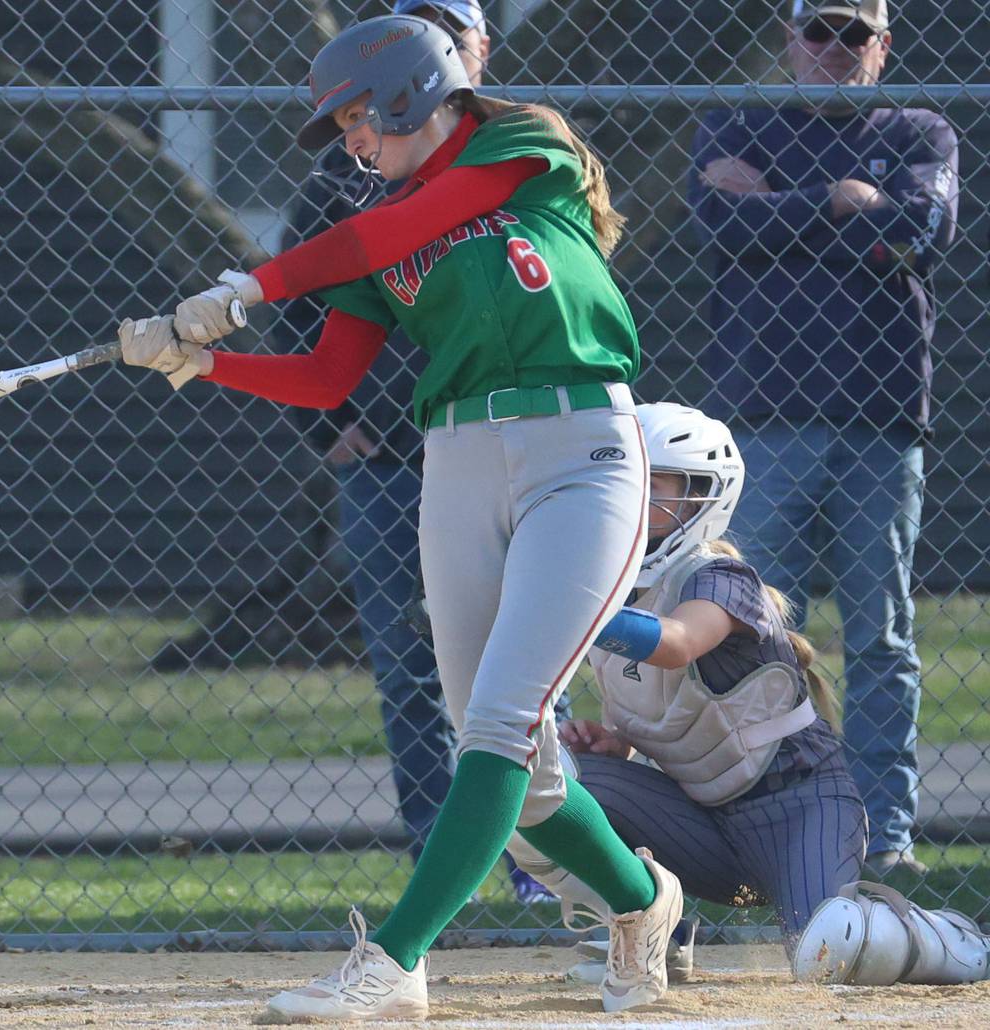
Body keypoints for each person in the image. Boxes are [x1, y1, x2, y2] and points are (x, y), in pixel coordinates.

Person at [120, 14, 683, 1017]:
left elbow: (404, 226)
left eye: (353, 122)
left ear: (408, 93)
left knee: (502, 726)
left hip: (580, 450)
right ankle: (643, 905)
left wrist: (254, 282)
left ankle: (395, 961)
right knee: (524, 776)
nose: (351, 145)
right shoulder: (380, 218)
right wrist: (202, 360)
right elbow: (330, 374)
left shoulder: (521, 142)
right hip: (458, 462)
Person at [511, 402, 989, 987]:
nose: (630, 500)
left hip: (800, 810)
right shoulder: (613, 592)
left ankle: (945, 940)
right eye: (623, 482)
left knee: (832, 952)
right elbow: (672, 715)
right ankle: (647, 935)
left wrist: (566, 603)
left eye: (650, 484)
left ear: (700, 498)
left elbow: (678, 642)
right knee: (538, 782)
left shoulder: (718, 578)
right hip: (703, 825)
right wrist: (614, 745)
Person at [276, 0, 555, 903]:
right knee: (415, 665)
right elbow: (312, 328)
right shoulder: (344, 173)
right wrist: (316, 418)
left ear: (470, 50)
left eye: (446, 29)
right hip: (398, 455)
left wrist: (251, 284)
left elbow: (386, 242)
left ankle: (546, 856)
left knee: (526, 668)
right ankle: (452, 857)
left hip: (529, 440)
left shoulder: (520, 145)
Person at [688, 0, 959, 878]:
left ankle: (885, 841)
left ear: (884, 46)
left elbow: (923, 230)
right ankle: (754, 836)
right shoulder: (734, 119)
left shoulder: (922, 128)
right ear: (788, 38)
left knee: (879, 637)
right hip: (764, 419)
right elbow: (720, 228)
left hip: (880, 423)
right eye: (819, 31)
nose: (834, 51)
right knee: (745, 633)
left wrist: (779, 206)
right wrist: (839, 203)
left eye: (855, 34)